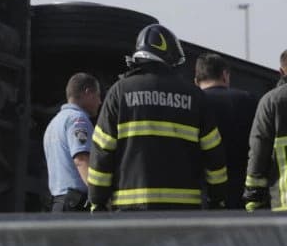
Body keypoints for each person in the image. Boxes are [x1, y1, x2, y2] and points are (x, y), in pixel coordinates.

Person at [88, 23, 227, 211]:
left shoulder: (119, 93)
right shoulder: (194, 96)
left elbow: (102, 150)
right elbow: (213, 153)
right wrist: (217, 197)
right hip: (183, 209)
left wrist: (97, 199)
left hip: (131, 208)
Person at [194, 53, 259, 209]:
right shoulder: (249, 100)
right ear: (225, 75)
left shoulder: (194, 103)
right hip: (242, 193)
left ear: (196, 81)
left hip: (205, 195)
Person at [43, 73, 102, 212]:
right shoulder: (78, 120)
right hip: (75, 206)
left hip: (58, 203)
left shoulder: (54, 123)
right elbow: (81, 160)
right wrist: (99, 196)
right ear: (87, 92)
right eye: (97, 95)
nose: (100, 102)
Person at [242, 49, 287, 211]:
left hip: (283, 206)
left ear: (281, 72)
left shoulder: (272, 102)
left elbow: (258, 152)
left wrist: (253, 198)